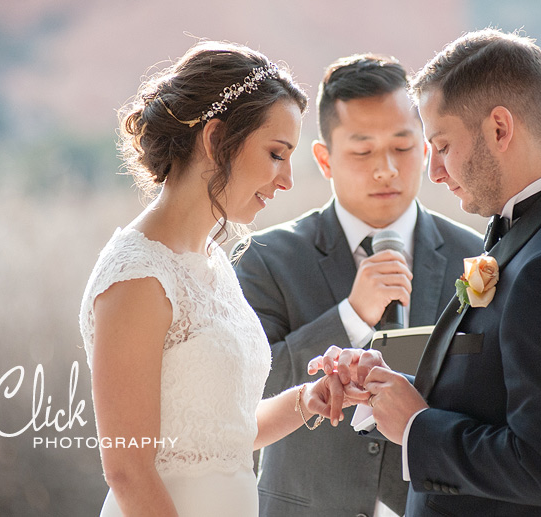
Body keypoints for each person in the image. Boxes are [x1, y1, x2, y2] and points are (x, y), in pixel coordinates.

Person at [312, 29, 541, 516]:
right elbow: (502, 398)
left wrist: (416, 427)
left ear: (500, 129)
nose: (436, 171)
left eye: (442, 145)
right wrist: (393, 389)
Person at [78, 41, 366, 517]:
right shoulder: (136, 277)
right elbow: (128, 470)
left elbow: (224, 435)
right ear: (215, 139)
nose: (288, 179)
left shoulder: (212, 261)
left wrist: (307, 399)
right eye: (276, 153)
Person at [233, 54, 484, 517]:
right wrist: (351, 316)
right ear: (325, 159)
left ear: (427, 148)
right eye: (363, 151)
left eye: (403, 146)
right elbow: (246, 395)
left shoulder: (474, 256)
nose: (385, 168)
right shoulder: (266, 258)